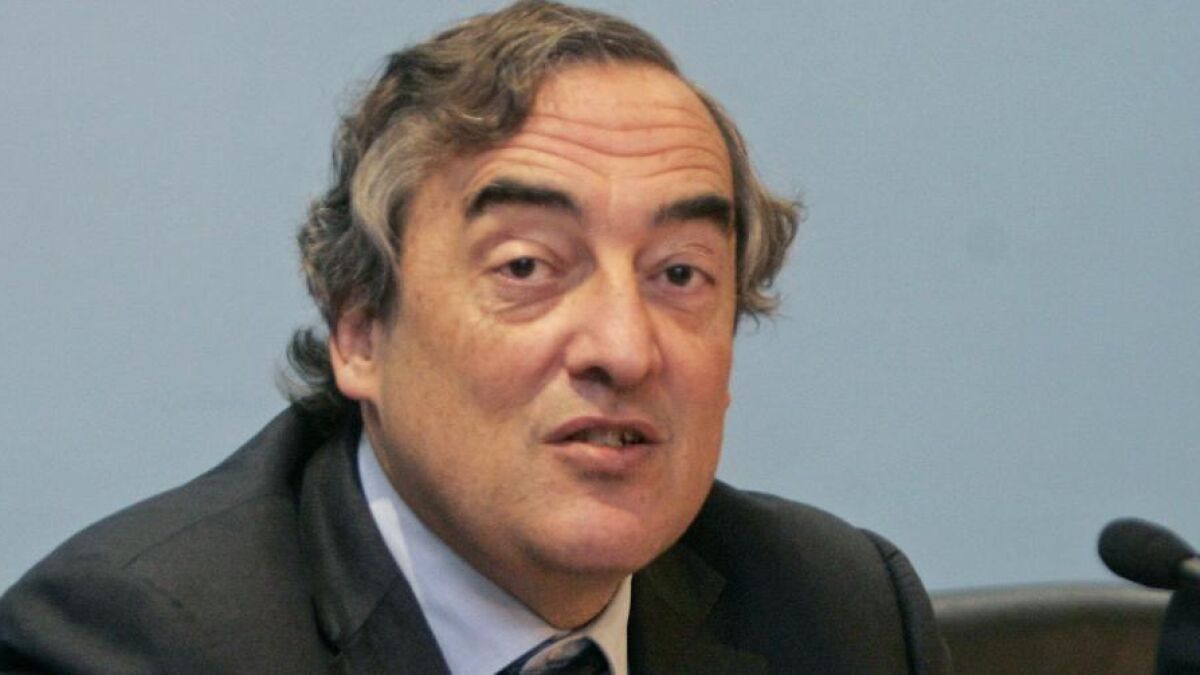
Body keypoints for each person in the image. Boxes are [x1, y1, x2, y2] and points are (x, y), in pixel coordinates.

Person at [0, 2, 951, 672]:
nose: (625, 348)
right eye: (527, 266)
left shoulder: (839, 614)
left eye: (679, 275)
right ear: (359, 329)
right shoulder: (139, 644)